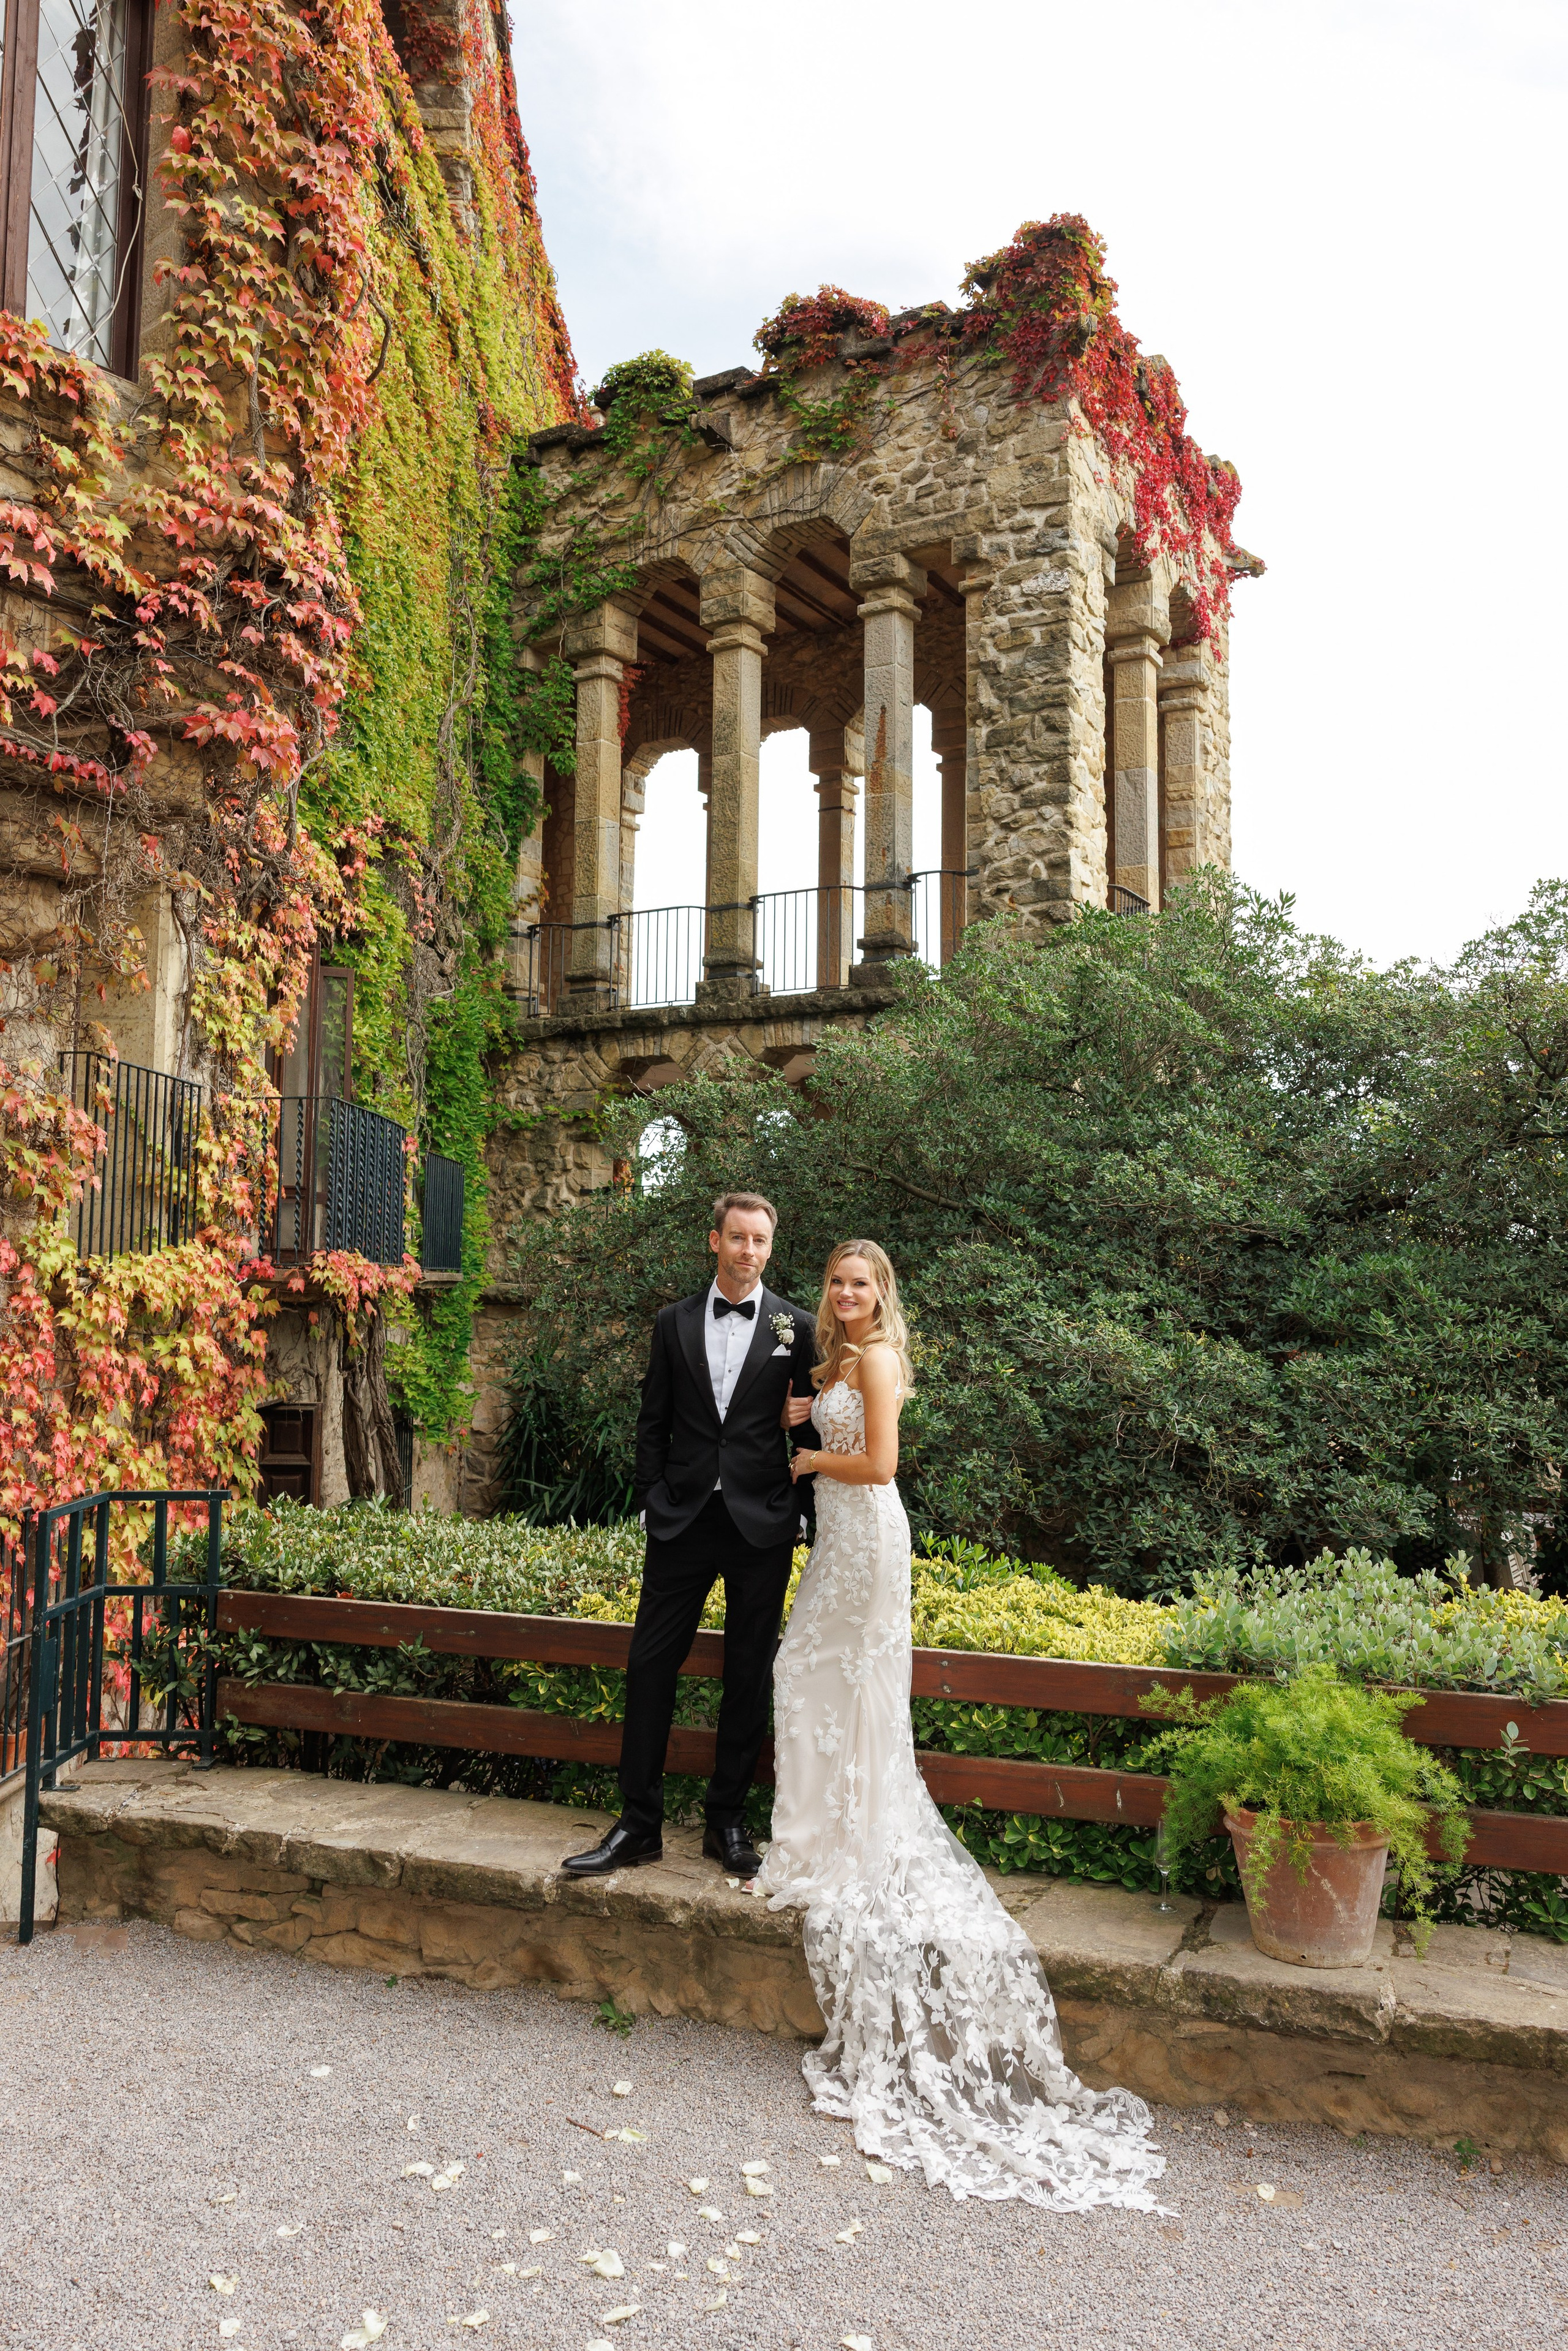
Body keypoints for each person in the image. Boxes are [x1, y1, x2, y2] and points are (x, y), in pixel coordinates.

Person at [754, 1239, 1166, 2213]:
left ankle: (846, 1838)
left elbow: (882, 1463)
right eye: (838, 1284)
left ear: (881, 1295)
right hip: (838, 1541)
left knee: (826, 1676)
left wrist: (813, 1453)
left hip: (868, 1536)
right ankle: (815, 1835)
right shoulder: (834, 1364)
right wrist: (803, 1420)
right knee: (810, 1678)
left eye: (862, 1284)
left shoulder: (883, 1359)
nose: (848, 1295)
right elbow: (835, 1439)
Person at [562, 1192, 818, 1881]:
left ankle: (726, 1823)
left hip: (761, 1524)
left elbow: (814, 1428)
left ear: (771, 1245)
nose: (749, 1252)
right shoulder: (672, 1321)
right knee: (649, 1665)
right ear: (715, 1241)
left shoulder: (798, 1325)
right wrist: (652, 1498)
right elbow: (654, 1418)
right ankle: (637, 1825)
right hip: (680, 1520)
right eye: (737, 1238)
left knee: (746, 1673)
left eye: (760, 1240)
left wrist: (800, 1511)